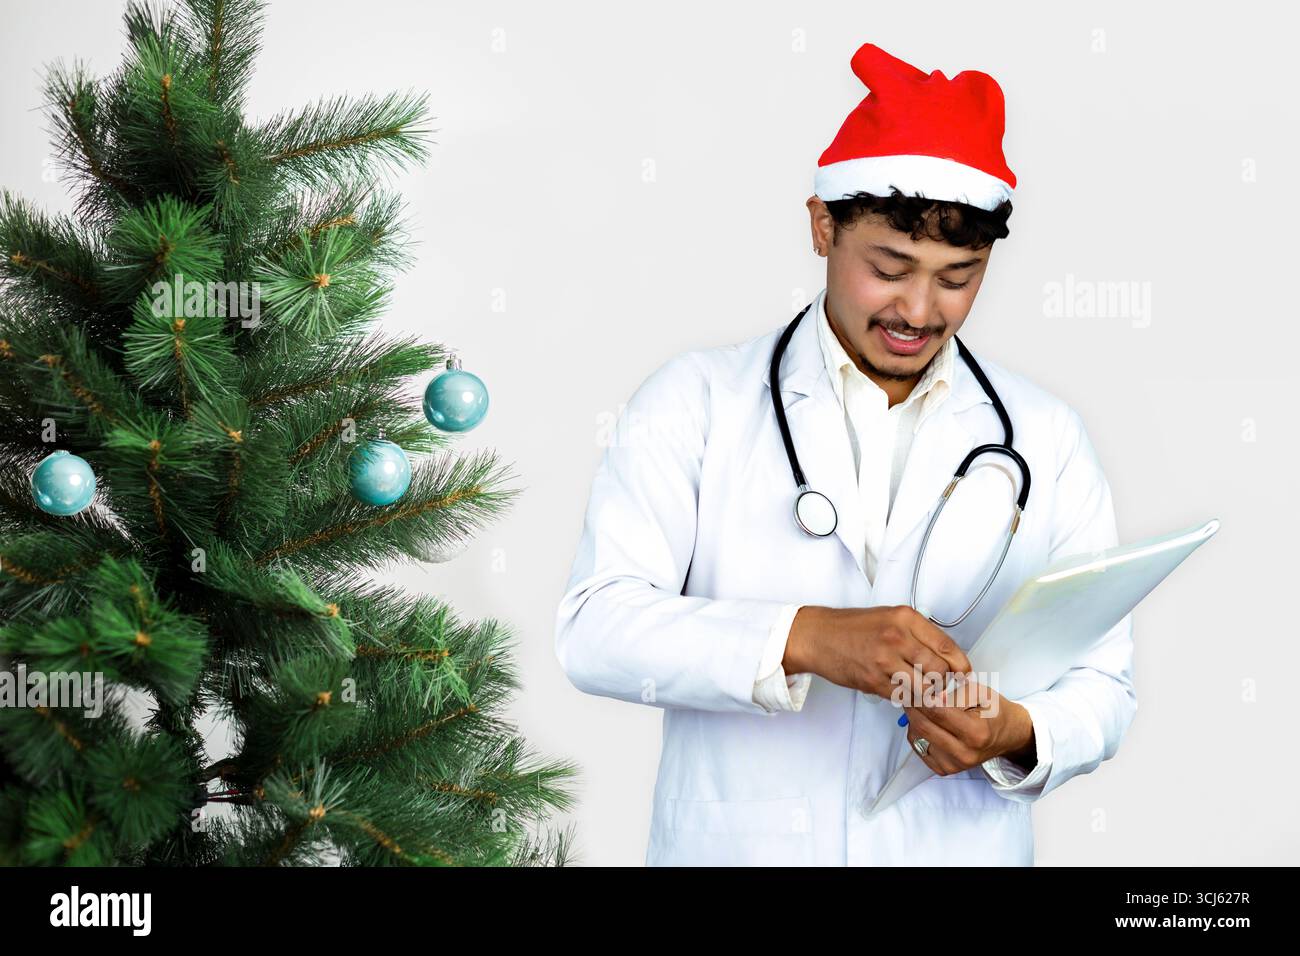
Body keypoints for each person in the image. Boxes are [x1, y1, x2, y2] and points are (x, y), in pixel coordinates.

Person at [554, 42, 1136, 866]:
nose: (919, 309)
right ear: (823, 227)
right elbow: (595, 630)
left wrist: (1016, 730)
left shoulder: (1045, 437)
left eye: (957, 276)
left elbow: (1105, 687)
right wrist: (805, 637)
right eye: (889, 268)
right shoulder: (697, 401)